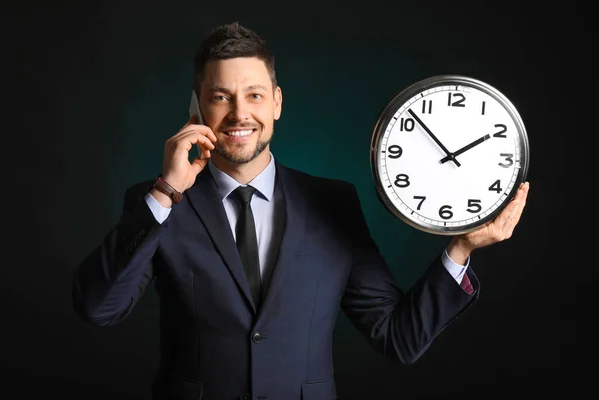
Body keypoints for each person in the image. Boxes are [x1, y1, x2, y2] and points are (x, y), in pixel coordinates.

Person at [71, 21, 530, 400]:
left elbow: (398, 337)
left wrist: (462, 248)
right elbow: (98, 308)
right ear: (197, 107)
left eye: (253, 95)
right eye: (220, 97)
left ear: (277, 102)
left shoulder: (334, 203)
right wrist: (167, 191)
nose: (238, 114)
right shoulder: (158, 203)